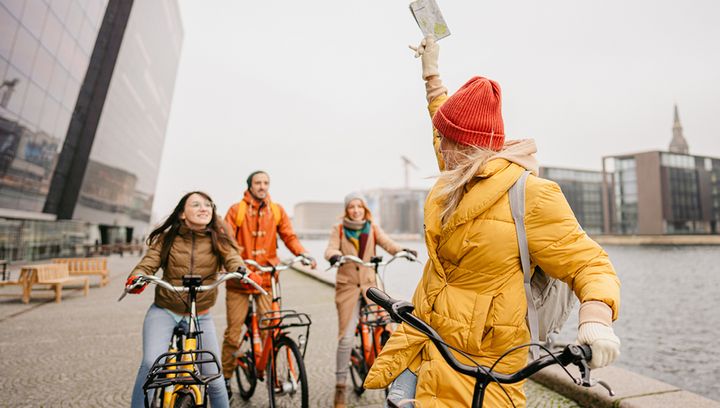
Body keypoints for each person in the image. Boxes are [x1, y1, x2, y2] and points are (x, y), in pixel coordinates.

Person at [364, 36, 622, 407]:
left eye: (447, 140)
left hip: (485, 361)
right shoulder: (458, 175)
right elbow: (443, 119)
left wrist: (596, 319)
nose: (440, 145)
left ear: (468, 147)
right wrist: (431, 75)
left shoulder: (531, 194)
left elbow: (589, 262)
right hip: (425, 340)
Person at [126, 191, 262, 408]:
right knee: (152, 364)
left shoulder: (219, 238)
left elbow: (232, 258)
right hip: (165, 310)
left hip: (200, 314)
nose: (203, 208)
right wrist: (138, 277)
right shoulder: (167, 238)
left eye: (208, 205)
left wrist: (242, 271)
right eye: (196, 204)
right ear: (182, 213)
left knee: (214, 378)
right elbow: (149, 262)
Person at [220, 170, 317, 397]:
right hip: (239, 280)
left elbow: (289, 236)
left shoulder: (277, 210)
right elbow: (226, 242)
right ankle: (225, 379)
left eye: (266, 182)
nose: (262, 186)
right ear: (250, 186)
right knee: (233, 334)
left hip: (266, 279)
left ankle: (273, 375)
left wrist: (303, 253)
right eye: (258, 182)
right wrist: (232, 264)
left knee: (271, 329)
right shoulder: (237, 210)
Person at [324, 192, 418, 408]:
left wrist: (403, 250)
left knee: (387, 329)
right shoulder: (338, 228)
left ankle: (392, 379)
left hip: (370, 287)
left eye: (359, 206)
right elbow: (330, 247)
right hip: (347, 288)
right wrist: (334, 255)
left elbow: (387, 243)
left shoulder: (371, 227)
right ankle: (340, 388)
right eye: (351, 207)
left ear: (364, 209)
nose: (355, 210)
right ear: (346, 210)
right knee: (346, 338)